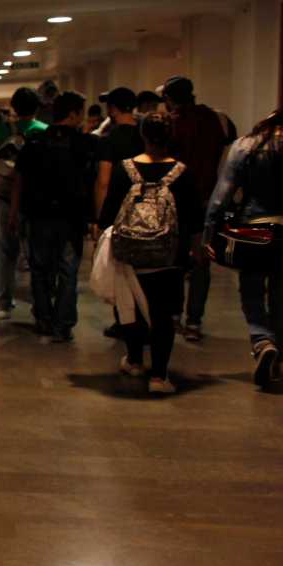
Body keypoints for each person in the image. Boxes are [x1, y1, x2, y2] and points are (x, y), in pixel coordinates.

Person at [101, 113, 203, 394]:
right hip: (169, 256)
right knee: (163, 315)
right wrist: (196, 250)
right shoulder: (182, 172)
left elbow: (110, 210)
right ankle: (159, 376)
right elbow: (194, 218)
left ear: (143, 135)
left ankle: (134, 360)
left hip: (130, 254)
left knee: (130, 308)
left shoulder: (125, 170)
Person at [205, 105, 283, 387]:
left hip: (255, 228)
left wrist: (210, 232)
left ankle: (263, 341)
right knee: (281, 294)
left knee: (251, 291)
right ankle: (279, 354)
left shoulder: (247, 145)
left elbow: (222, 195)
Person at [11, 91, 96, 342]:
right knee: (68, 271)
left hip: (39, 216)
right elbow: (92, 182)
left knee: (39, 269)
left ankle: (43, 318)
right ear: (73, 114)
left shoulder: (35, 142)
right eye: (81, 112)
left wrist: (14, 212)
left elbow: (19, 179)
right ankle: (63, 324)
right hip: (71, 218)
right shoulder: (84, 144)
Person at [164, 76, 236, 341]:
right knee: (200, 261)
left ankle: (173, 317)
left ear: (169, 99)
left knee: (174, 260)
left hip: (176, 201)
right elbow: (227, 160)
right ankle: (194, 322)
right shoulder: (219, 120)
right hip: (208, 200)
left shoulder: (171, 124)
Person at [0, 88, 48, 319]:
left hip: (4, 197)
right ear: (37, 107)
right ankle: (38, 302)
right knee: (35, 252)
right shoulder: (44, 131)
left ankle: (4, 303)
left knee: (7, 251)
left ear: (14, 107)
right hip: (34, 198)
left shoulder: (4, 129)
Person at [93, 87, 145, 338]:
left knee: (120, 268)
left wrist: (100, 218)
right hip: (146, 207)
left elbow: (103, 181)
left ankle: (124, 321)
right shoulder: (145, 135)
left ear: (112, 109)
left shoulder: (110, 140)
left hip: (118, 211)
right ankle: (145, 318)